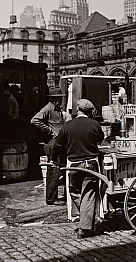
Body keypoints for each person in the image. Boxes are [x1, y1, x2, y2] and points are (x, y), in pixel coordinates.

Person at [54, 99, 105, 238]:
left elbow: (58, 145)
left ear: (78, 110)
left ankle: (86, 222)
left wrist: (54, 160)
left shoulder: (67, 126)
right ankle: (86, 226)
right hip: (90, 164)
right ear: (90, 112)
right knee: (88, 194)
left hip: (74, 165)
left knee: (75, 192)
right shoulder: (94, 124)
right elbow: (101, 139)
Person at [31, 88, 70, 205]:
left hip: (60, 142)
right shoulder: (48, 108)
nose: (60, 100)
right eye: (58, 98)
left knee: (61, 170)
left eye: (61, 97)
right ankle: (51, 198)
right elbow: (34, 120)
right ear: (52, 99)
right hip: (54, 143)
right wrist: (49, 130)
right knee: (54, 170)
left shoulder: (58, 109)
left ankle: (60, 197)